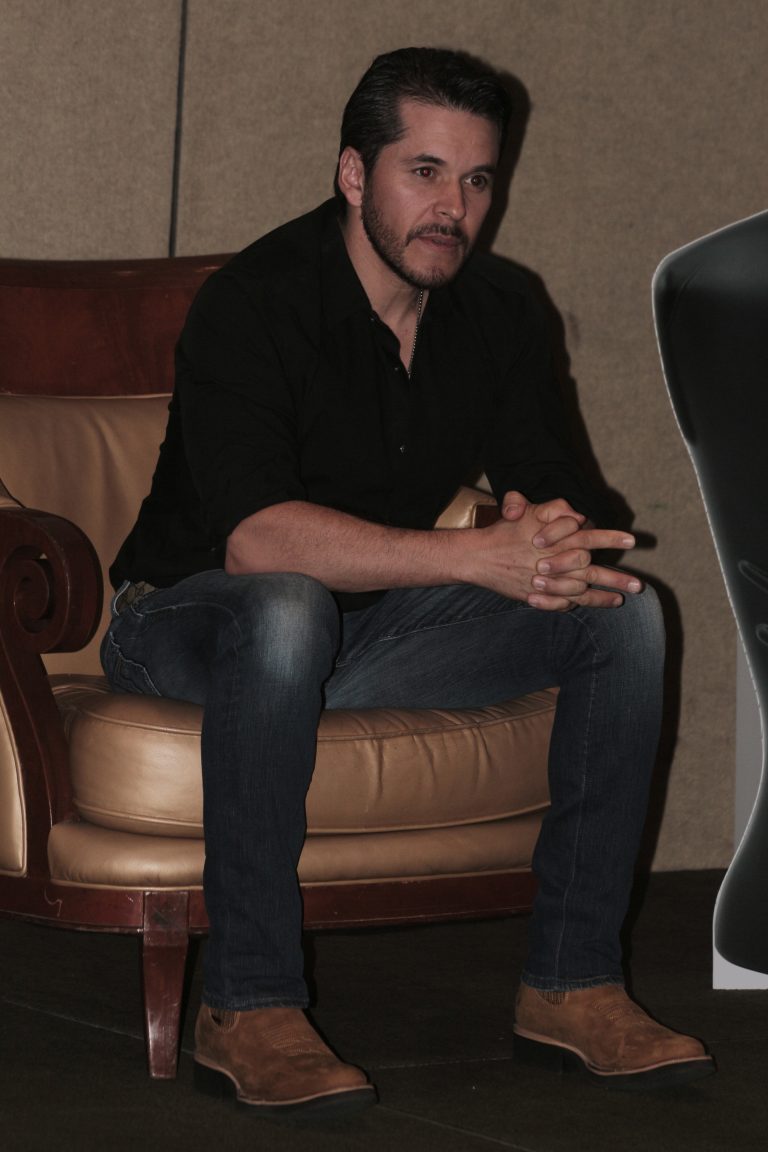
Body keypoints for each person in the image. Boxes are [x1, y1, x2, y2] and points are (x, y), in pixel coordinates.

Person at [102, 47, 714, 1117]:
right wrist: (473, 556)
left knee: (623, 617)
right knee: (285, 607)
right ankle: (248, 1005)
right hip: (188, 627)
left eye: (477, 180)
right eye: (424, 173)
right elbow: (256, 542)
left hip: (365, 635)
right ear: (354, 174)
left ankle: (573, 986)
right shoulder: (256, 302)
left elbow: (554, 486)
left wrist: (554, 534)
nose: (454, 209)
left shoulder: (501, 311)